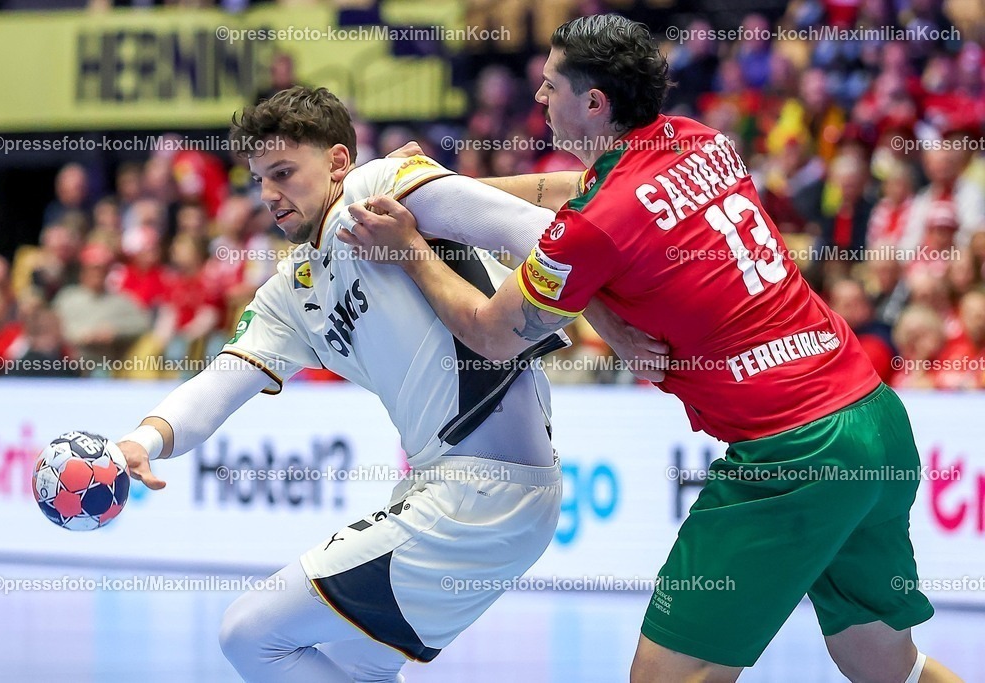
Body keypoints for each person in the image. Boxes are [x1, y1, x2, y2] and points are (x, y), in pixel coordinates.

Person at [339, 14, 964, 683]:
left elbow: (493, 331)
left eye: (552, 86)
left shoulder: (597, 223)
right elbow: (582, 198)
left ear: (594, 102)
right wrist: (437, 189)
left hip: (793, 451)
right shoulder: (701, 142)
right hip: (874, 420)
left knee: (665, 677)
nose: (541, 100)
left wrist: (407, 249)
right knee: (887, 666)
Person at [114, 85, 660, 683]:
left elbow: (537, 231)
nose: (268, 195)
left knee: (249, 635)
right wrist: (143, 439)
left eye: (284, 172)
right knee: (354, 665)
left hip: (486, 495)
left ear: (339, 163)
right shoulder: (288, 293)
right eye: (259, 179)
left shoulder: (383, 187)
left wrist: (621, 330)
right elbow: (223, 381)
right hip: (449, 492)